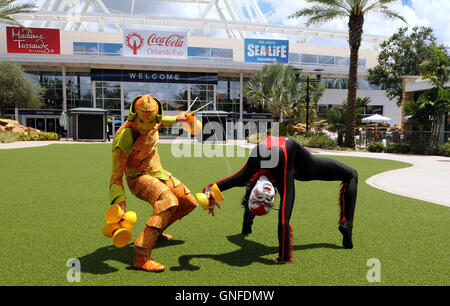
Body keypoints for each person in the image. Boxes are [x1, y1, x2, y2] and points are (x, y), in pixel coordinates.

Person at [203, 136, 358, 264]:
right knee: (351, 174)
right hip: (282, 153)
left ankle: (347, 224)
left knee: (351, 174)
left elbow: (284, 218)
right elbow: (211, 187)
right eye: (266, 199)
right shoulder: (248, 172)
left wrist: (284, 257)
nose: (266, 196)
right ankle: (347, 224)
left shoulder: (258, 173)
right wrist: (208, 196)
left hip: (300, 165)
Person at [109, 94, 198, 272]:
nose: (147, 126)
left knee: (189, 203)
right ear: (134, 115)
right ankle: (141, 257)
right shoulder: (125, 136)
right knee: (168, 202)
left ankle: (155, 233)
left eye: (151, 122)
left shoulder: (155, 120)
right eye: (142, 120)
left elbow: (164, 120)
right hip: (138, 178)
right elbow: (115, 177)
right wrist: (120, 204)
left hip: (158, 173)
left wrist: (180, 118)